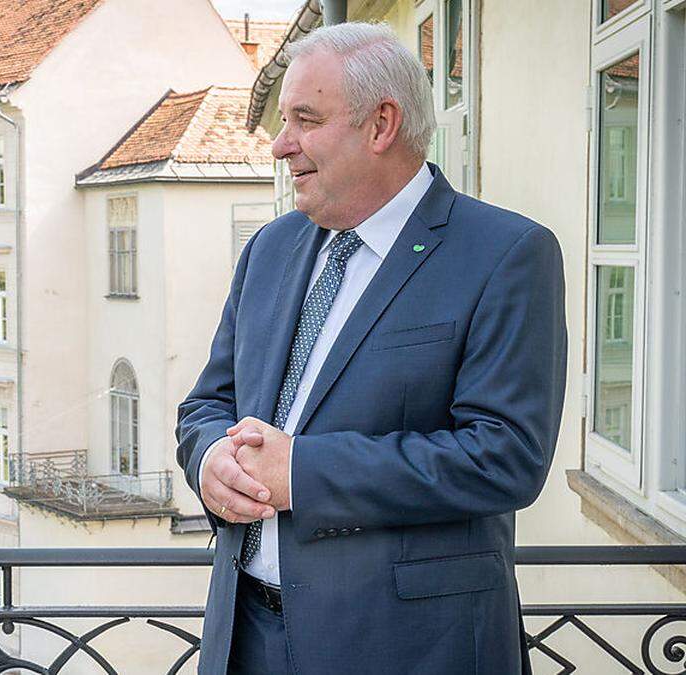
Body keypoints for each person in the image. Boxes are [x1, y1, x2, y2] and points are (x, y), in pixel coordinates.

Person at [176, 22, 567, 674]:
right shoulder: (268, 251)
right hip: (243, 637)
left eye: (305, 119)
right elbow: (207, 404)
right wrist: (212, 456)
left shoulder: (506, 254)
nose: (280, 145)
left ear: (381, 125)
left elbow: (505, 456)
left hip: (408, 647)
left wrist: (301, 471)